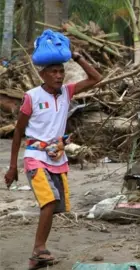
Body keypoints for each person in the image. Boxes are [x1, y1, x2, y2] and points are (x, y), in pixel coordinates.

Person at [3, 52, 102, 270]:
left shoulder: (67, 92)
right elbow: (19, 131)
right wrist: (12, 167)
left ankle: (36, 258)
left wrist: (77, 57)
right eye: (53, 72)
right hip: (35, 157)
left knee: (55, 206)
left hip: (57, 157)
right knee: (48, 201)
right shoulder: (32, 96)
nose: (58, 76)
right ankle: (39, 248)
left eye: (61, 71)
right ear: (43, 74)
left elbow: (97, 79)